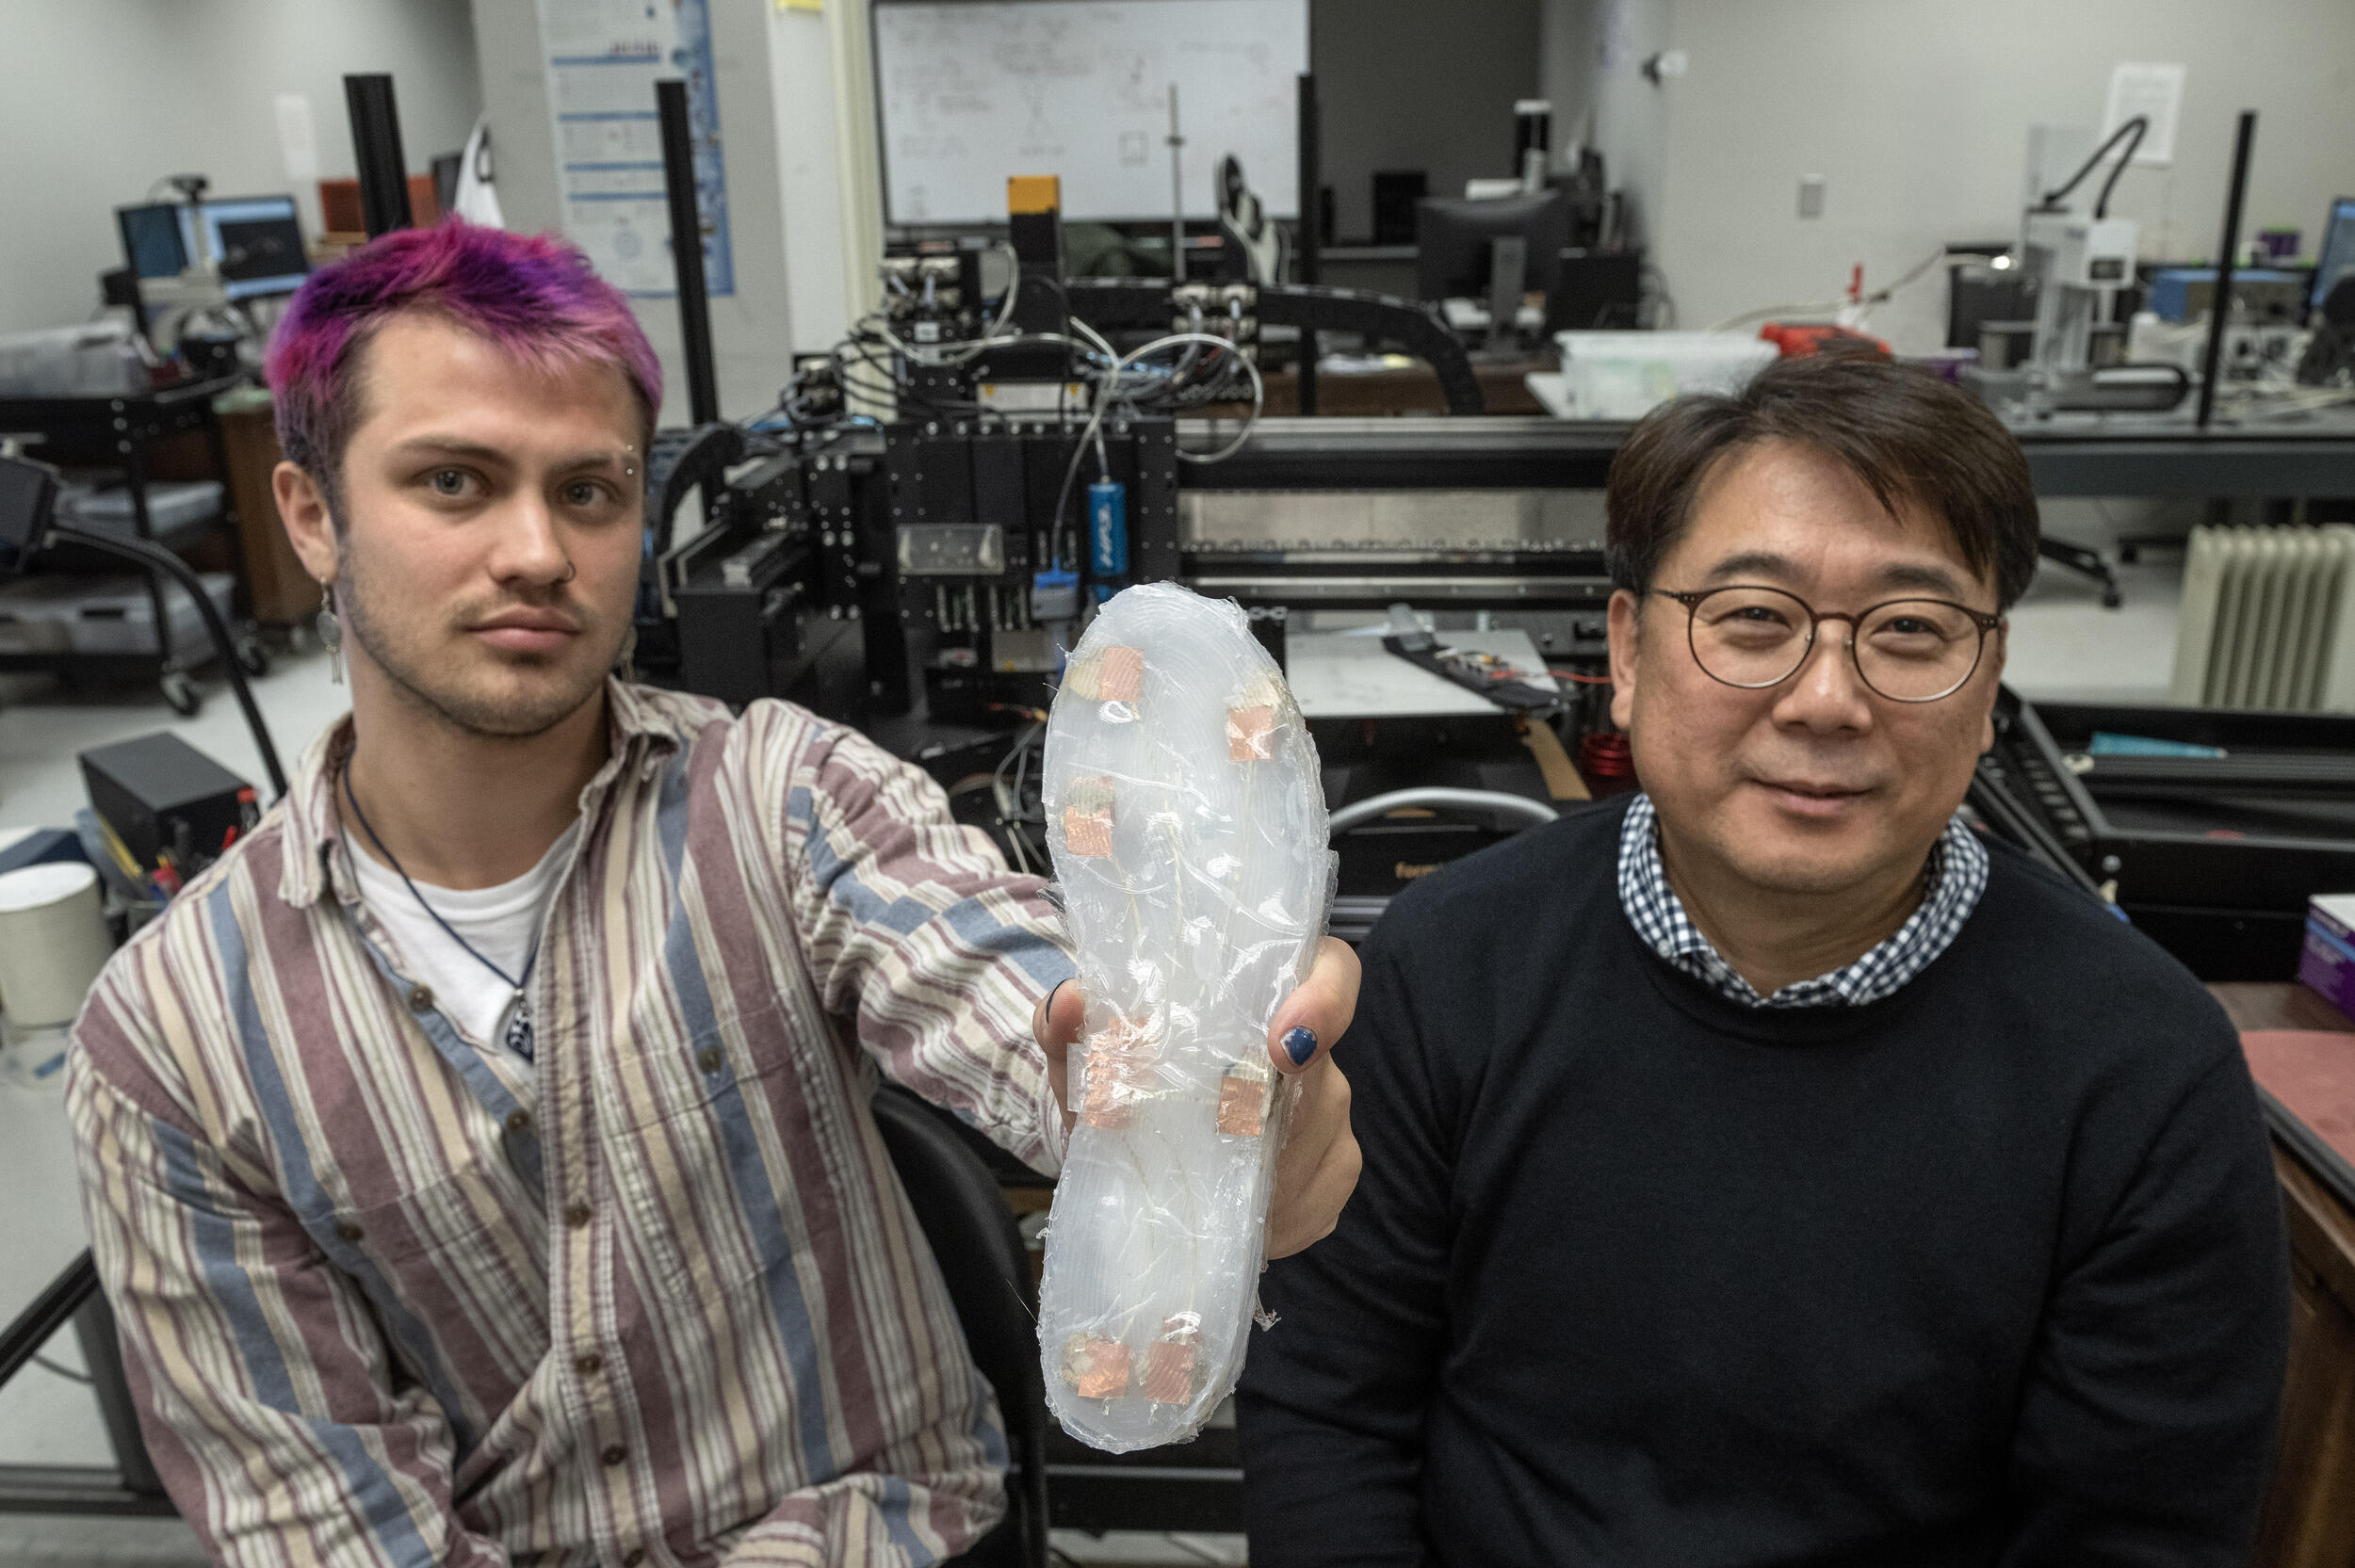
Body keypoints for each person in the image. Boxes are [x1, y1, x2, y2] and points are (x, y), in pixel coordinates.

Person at [64, 220, 1361, 1568]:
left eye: (589, 492)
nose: (534, 551)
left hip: (887, 1534)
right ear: (312, 515)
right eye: (454, 481)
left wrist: (1171, 1098)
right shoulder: (170, 1042)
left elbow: (987, 965)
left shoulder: (785, 801)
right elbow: (318, 1521)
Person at [1237, 354, 2288, 1566]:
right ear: (1627, 655)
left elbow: (2139, 1539)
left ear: (1988, 679)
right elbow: (1328, 1421)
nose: (1826, 698)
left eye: (1908, 630)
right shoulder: (1447, 968)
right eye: (1752, 620)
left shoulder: (2143, 1072)